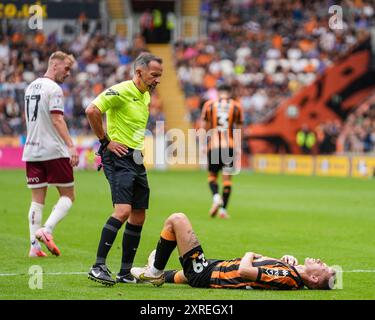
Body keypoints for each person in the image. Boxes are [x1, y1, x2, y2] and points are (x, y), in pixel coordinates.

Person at [85, 52, 163, 286]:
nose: (157, 80)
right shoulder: (120, 90)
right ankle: (97, 266)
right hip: (118, 156)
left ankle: (125, 272)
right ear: (139, 73)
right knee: (123, 211)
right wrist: (106, 141)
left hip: (136, 158)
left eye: (160, 76)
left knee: (139, 215)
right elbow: (92, 110)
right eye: (154, 75)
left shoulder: (145, 96)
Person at [131, 213, 336, 290]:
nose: (320, 260)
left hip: (209, 273)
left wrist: (250, 253)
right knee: (178, 275)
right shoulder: (290, 273)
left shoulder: (288, 276)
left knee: (177, 220)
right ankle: (148, 275)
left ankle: (155, 270)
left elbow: (247, 270)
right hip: (213, 270)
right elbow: (267, 268)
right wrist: (285, 261)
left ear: (315, 278)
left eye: (322, 266)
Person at [22, 51, 79, 258]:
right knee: (68, 195)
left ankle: (33, 248)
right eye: (66, 68)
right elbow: (57, 119)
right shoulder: (54, 89)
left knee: (37, 199)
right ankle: (47, 230)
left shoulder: (30, 87)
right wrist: (71, 146)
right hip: (53, 150)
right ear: (54, 65)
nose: (68, 73)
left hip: (31, 150)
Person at [200, 84, 243, 219]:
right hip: (229, 146)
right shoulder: (236, 106)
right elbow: (239, 129)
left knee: (212, 176)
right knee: (227, 180)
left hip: (213, 146)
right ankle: (223, 210)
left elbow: (204, 127)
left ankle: (216, 197)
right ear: (229, 93)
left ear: (218, 93)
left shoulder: (209, 105)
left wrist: (202, 144)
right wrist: (238, 147)